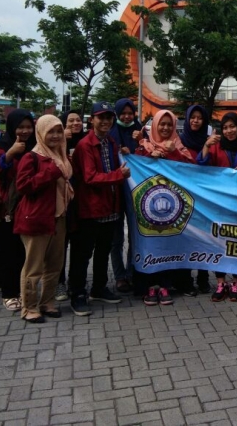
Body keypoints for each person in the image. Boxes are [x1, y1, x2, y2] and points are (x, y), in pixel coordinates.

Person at [69, 102, 131, 316]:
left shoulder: (111, 142)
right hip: (89, 209)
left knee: (104, 250)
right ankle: (77, 293)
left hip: (109, 208)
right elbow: (89, 177)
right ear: (92, 120)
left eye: (108, 117)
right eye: (100, 117)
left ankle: (99, 287)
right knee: (82, 253)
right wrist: (118, 176)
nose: (105, 121)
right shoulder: (86, 145)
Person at [15, 115, 73, 323]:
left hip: (59, 217)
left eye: (59, 131)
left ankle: (47, 302)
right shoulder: (32, 157)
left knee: (54, 265)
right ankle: (29, 307)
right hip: (37, 219)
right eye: (51, 131)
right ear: (41, 133)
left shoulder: (61, 156)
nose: (56, 136)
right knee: (34, 267)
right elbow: (23, 186)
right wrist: (49, 171)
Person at [135, 110, 194, 306]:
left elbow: (190, 168)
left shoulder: (179, 146)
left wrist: (173, 152)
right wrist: (148, 155)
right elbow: (135, 166)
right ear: (155, 125)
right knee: (151, 242)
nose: (166, 128)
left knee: (168, 243)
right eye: (162, 124)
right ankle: (150, 286)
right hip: (149, 206)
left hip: (173, 206)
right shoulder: (143, 146)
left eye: (170, 124)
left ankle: (166, 283)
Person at [198, 112, 237, 302]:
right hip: (219, 206)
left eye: (232, 126)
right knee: (219, 243)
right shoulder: (215, 147)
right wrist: (207, 145)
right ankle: (221, 282)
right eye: (225, 127)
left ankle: (236, 283)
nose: (229, 131)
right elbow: (201, 164)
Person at [0, 109, 35, 313]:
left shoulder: (34, 146)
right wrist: (10, 154)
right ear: (11, 127)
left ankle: (22, 290)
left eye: (28, 127)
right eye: (20, 127)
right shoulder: (1, 146)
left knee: (23, 251)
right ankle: (9, 293)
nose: (24, 131)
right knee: (6, 250)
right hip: (5, 208)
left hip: (28, 208)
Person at [108, 98, 142, 295]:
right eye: (124, 113)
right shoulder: (111, 134)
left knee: (136, 235)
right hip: (115, 192)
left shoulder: (140, 131)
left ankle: (131, 272)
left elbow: (147, 156)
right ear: (117, 114)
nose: (127, 116)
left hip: (135, 191)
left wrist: (139, 144)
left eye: (130, 113)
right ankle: (120, 276)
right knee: (116, 238)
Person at [178, 104, 211, 295]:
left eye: (199, 117)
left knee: (204, 239)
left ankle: (204, 277)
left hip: (204, 200)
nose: (195, 121)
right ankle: (185, 280)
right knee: (186, 239)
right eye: (193, 117)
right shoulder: (179, 142)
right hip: (184, 199)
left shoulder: (209, 142)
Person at [54, 110, 87, 301]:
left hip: (81, 201)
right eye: (71, 120)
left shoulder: (85, 142)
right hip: (61, 201)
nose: (76, 123)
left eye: (79, 120)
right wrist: (62, 142)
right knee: (60, 246)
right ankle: (59, 283)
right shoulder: (57, 141)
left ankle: (77, 283)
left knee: (79, 245)